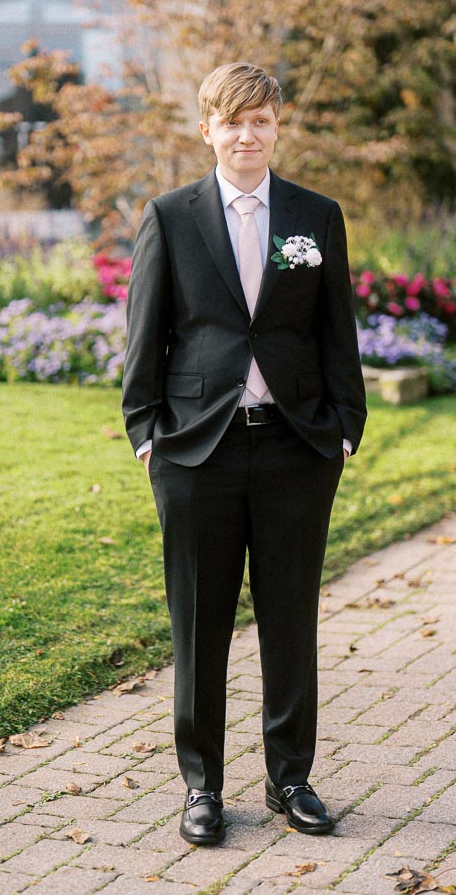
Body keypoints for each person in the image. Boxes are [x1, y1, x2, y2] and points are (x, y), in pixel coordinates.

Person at [121, 62, 367, 845]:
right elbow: (147, 334)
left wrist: (345, 426)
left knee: (289, 620)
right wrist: (144, 433)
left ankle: (291, 779)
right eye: (232, 122)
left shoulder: (315, 217)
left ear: (277, 127)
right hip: (199, 454)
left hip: (297, 448)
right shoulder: (170, 217)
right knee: (199, 624)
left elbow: (337, 330)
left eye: (260, 120)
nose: (247, 134)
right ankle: (203, 787)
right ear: (207, 130)